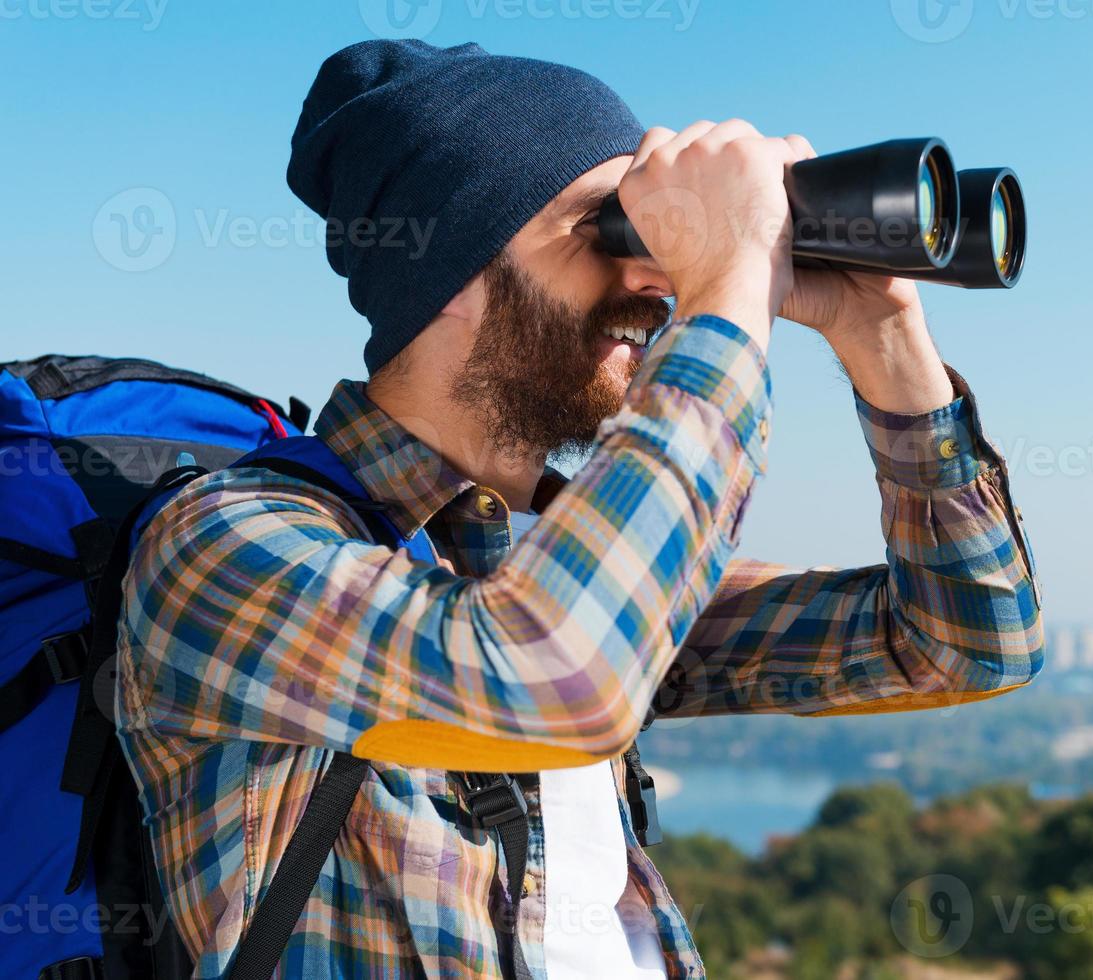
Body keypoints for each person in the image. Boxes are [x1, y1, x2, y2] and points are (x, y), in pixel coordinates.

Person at [115, 38, 1044, 979]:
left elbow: (966, 642)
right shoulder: (230, 544)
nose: (656, 276)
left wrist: (880, 333)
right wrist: (728, 292)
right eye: (612, 230)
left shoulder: (557, 564)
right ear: (450, 271)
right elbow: (558, 673)